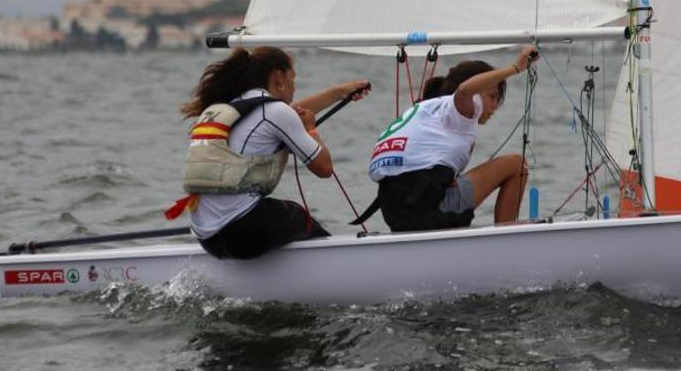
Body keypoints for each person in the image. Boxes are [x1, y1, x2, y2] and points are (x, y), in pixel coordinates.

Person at [179, 46, 370, 258]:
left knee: (278, 215)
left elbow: (286, 113)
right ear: (278, 77)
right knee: (300, 217)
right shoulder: (274, 112)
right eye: (292, 78)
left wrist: (339, 92)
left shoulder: (230, 108)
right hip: (240, 231)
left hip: (208, 237)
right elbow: (324, 168)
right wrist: (311, 129)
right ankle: (337, 269)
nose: (294, 87)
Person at [353, 45, 539, 232]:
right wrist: (516, 68)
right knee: (517, 164)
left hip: (393, 213)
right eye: (492, 96)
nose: (495, 106)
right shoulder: (460, 107)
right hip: (430, 211)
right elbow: (465, 90)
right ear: (477, 92)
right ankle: (507, 234)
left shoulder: (425, 111)